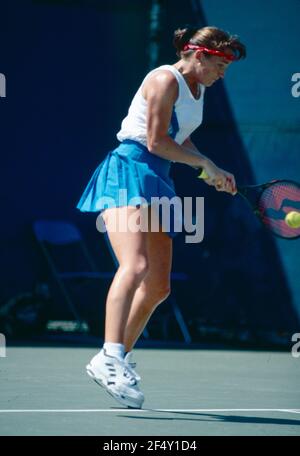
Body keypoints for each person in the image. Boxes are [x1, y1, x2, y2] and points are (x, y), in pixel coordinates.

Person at [77, 26, 246, 408]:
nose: (222, 74)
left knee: (157, 287)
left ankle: (113, 358)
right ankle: (109, 352)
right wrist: (203, 163)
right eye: (219, 65)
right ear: (198, 56)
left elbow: (179, 138)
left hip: (158, 179)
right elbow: (155, 141)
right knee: (134, 265)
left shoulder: (197, 90)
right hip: (128, 172)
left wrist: (211, 169)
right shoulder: (162, 79)